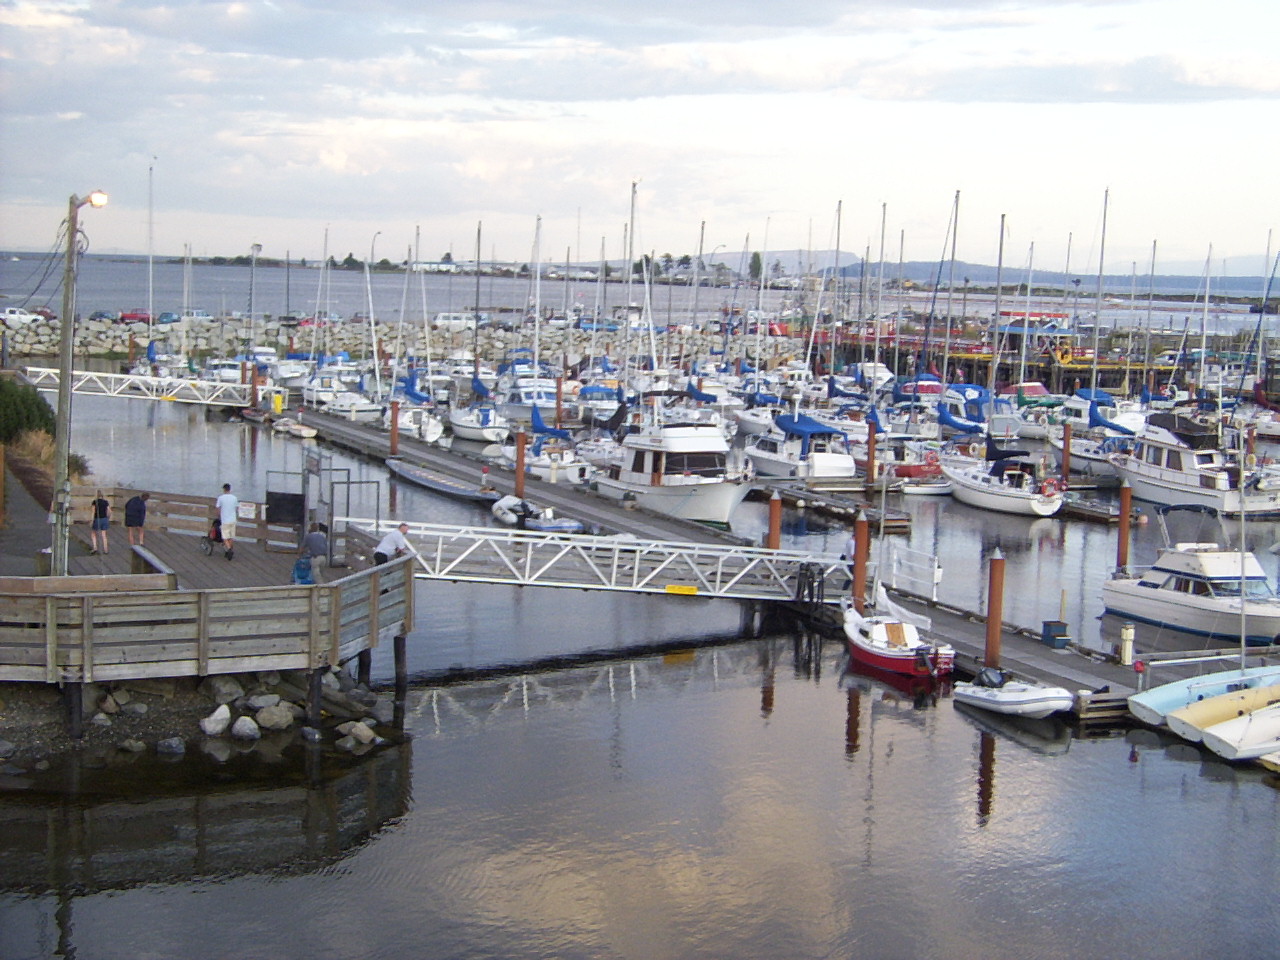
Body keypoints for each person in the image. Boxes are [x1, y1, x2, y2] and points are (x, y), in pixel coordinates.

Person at [215, 483, 239, 560]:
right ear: (230, 489)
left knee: (224, 537)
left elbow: (218, 508)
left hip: (225, 520)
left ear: (224, 489)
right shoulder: (234, 498)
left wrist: (218, 515)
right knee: (231, 536)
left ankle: (229, 549)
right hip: (233, 519)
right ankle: (229, 550)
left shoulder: (221, 498)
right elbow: (237, 509)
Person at [88, 489, 111, 555]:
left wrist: (91, 521)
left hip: (97, 519)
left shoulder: (95, 502)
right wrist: (107, 518)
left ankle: (95, 547)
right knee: (104, 534)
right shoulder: (106, 502)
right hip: (104, 519)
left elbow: (93, 512)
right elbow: (109, 511)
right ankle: (105, 549)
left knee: (93, 533)